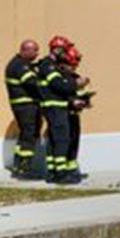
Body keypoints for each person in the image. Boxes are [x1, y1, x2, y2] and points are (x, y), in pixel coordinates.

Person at [38, 36, 77, 184]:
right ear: (57, 49)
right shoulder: (48, 66)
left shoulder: (53, 65)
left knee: (55, 139)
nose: (66, 53)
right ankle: (61, 173)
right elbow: (60, 85)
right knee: (61, 139)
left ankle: (53, 171)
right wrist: (75, 84)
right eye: (65, 50)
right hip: (54, 107)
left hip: (55, 107)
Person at [3, 39, 41, 179]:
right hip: (26, 107)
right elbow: (33, 84)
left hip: (24, 106)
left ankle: (18, 166)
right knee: (28, 136)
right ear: (25, 50)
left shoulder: (21, 64)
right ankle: (25, 169)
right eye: (35, 50)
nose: (37, 53)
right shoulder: (19, 66)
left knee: (25, 135)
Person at [64, 45, 94, 182]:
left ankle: (73, 168)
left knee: (74, 142)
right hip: (64, 114)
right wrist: (72, 102)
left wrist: (85, 99)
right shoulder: (61, 77)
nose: (74, 68)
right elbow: (61, 93)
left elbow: (78, 93)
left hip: (74, 114)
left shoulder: (75, 77)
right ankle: (64, 171)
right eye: (71, 65)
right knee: (64, 143)